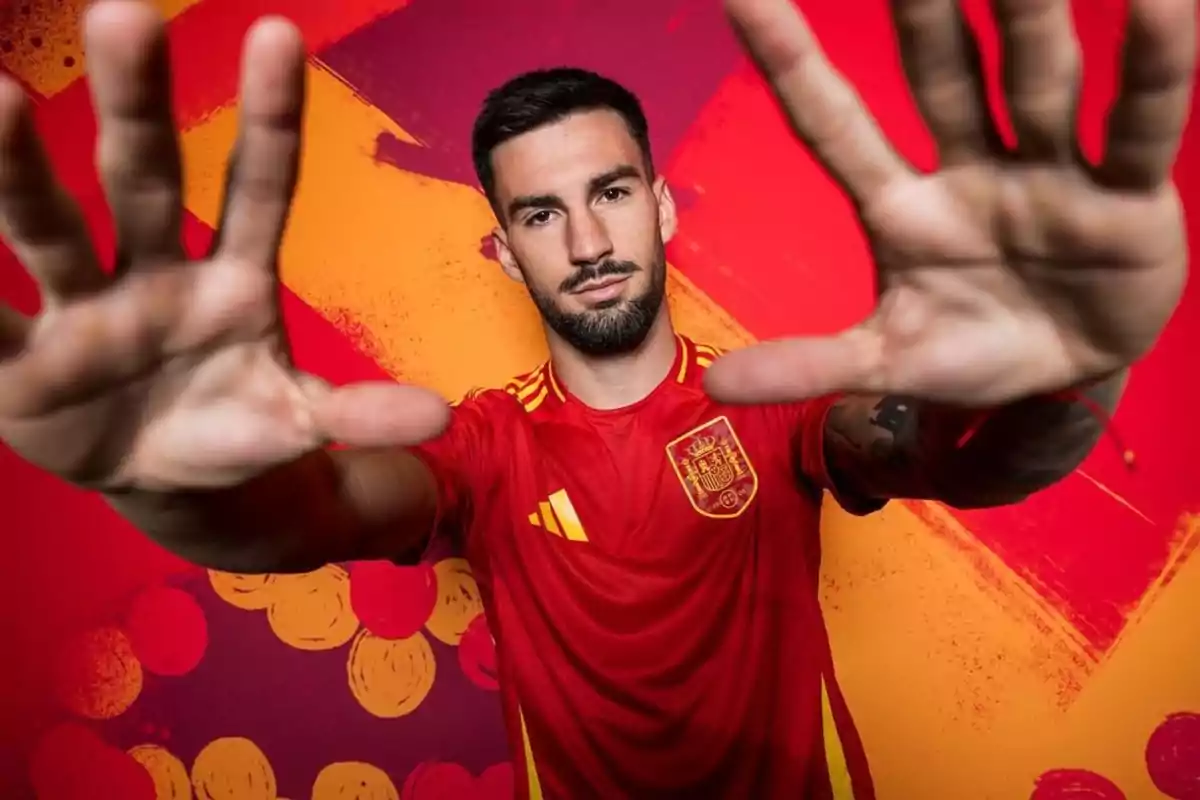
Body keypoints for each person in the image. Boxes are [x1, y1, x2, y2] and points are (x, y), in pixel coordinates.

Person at [0, 0, 1192, 796]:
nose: (585, 239)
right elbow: (314, 513)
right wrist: (167, 480)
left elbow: (951, 457)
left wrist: (1077, 375)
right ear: (504, 252)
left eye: (611, 192)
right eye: (539, 213)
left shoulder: (778, 402)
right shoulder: (482, 442)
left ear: (662, 208)